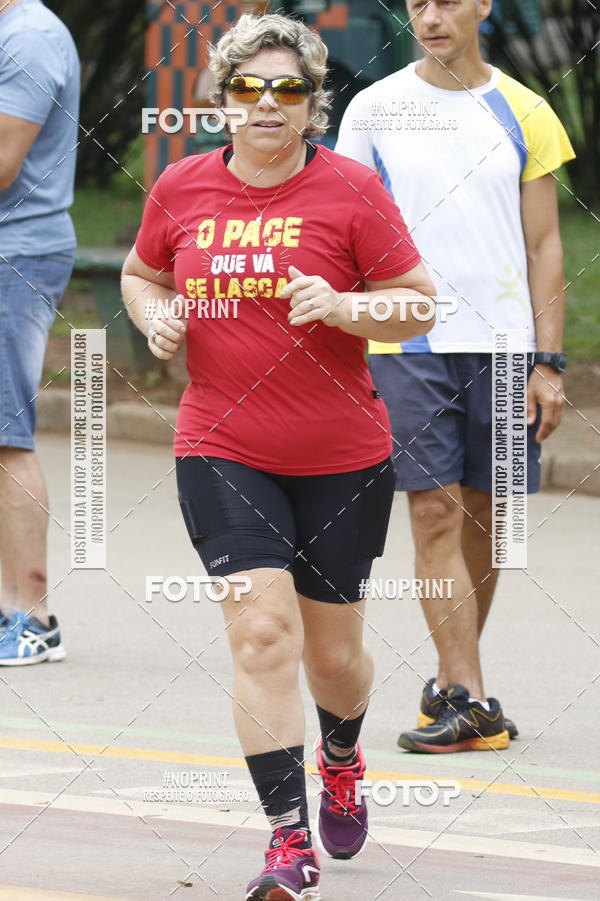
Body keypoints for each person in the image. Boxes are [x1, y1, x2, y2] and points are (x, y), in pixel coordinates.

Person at [122, 13, 435, 899]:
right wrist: (154, 316)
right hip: (221, 444)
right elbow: (144, 273)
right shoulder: (180, 187)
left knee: (334, 658)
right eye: (249, 87)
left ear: (311, 104)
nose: (267, 102)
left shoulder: (351, 191)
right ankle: (286, 841)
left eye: (287, 88)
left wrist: (345, 307)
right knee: (262, 635)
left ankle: (342, 751)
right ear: (221, 102)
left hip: (343, 454)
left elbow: (417, 304)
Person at [336, 0, 575, 753]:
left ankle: (452, 681)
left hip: (504, 346)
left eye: (447, 1)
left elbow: (545, 246)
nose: (431, 16)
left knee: (487, 514)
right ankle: (468, 690)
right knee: (435, 510)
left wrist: (548, 360)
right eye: (418, 4)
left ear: (484, 7)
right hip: (406, 340)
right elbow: (343, 229)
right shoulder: (374, 108)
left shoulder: (526, 109)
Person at [0, 0, 79, 664]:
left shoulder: (26, 38)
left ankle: (33, 621)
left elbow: (2, 161)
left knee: (6, 434)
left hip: (14, 253)